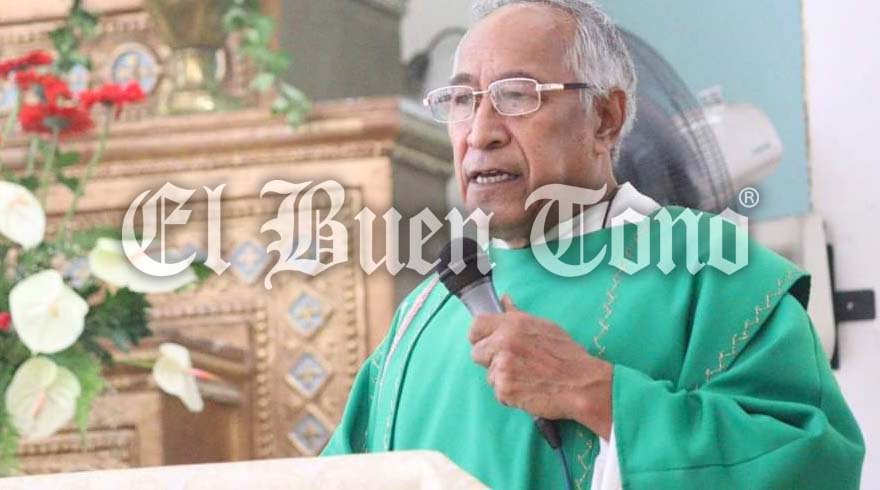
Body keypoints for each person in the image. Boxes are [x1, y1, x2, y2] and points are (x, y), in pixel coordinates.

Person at [322, 1, 865, 488]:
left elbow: (812, 464)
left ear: (606, 118)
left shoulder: (716, 270)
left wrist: (595, 393)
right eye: (462, 100)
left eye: (517, 95)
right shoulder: (422, 314)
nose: (480, 132)